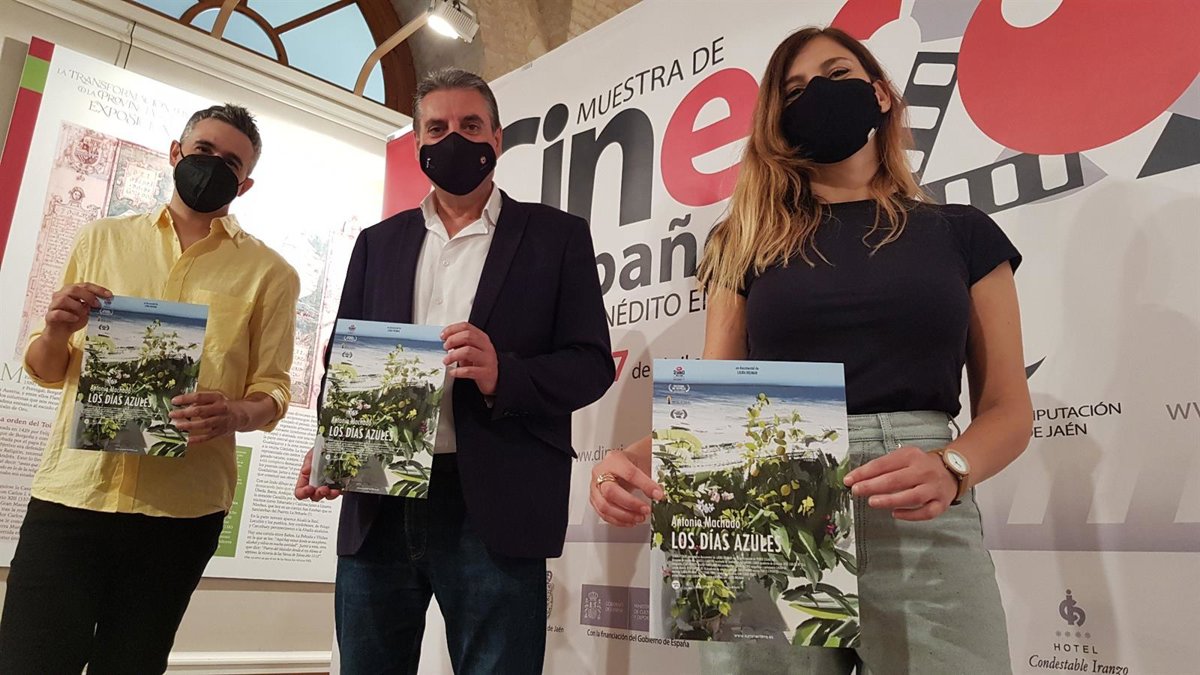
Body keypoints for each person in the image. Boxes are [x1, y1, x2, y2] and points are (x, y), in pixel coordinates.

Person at [589, 27, 1032, 674]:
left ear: (881, 93)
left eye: (837, 73)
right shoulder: (743, 241)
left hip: (916, 508)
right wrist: (631, 460)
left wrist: (953, 465)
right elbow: (719, 404)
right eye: (794, 90)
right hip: (761, 491)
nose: (818, 93)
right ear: (779, 119)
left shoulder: (963, 233)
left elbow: (1008, 409)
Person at [294, 67, 614, 674]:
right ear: (418, 142)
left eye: (470, 125)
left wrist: (503, 374)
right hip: (379, 499)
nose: (453, 139)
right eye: (437, 128)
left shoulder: (557, 237)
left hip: (495, 502)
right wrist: (333, 443)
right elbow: (344, 362)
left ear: (497, 137)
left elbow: (592, 364)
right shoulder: (376, 243)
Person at [0, 104, 300, 674]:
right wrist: (57, 330)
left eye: (231, 162)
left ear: (246, 183)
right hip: (74, 496)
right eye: (204, 150)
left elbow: (273, 390)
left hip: (181, 513)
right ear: (175, 153)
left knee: (133, 665)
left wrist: (235, 413)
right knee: (28, 661)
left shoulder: (271, 273)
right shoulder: (102, 238)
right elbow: (46, 368)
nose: (213, 166)